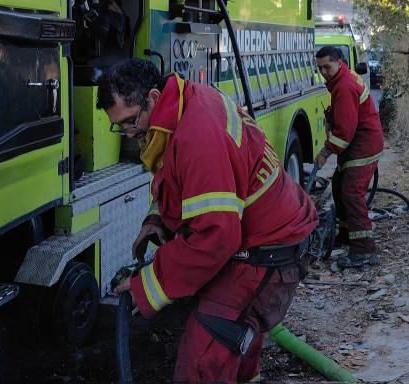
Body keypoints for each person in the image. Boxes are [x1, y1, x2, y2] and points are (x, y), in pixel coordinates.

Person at [101, 59, 317, 383]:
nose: (129, 134)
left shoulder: (198, 136)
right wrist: (157, 218)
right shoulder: (182, 105)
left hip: (269, 250)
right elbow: (176, 176)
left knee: (202, 356)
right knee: (234, 335)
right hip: (270, 236)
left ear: (153, 98)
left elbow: (216, 238)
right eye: (119, 126)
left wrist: (145, 285)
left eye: (130, 122)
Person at [314, 45, 384, 268]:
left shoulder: (343, 87)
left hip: (363, 145)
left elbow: (345, 131)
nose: (323, 72)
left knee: (351, 192)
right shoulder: (342, 78)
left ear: (339, 62)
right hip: (357, 143)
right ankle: (346, 235)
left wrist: (326, 151)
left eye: (327, 67)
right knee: (338, 185)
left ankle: (363, 249)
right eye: (320, 68)